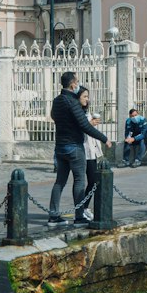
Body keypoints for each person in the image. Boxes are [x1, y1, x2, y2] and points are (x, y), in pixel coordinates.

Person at [49, 69, 110, 226]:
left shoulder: (57, 101)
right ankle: (79, 216)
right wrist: (104, 138)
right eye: (76, 82)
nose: (78, 84)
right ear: (72, 84)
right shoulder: (72, 102)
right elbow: (85, 126)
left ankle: (53, 216)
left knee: (59, 182)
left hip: (59, 147)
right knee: (79, 181)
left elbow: (54, 117)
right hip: (74, 147)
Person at [79, 87, 102, 215]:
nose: (87, 99)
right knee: (80, 182)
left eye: (88, 97)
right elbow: (79, 128)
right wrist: (90, 124)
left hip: (91, 151)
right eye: (85, 97)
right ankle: (81, 209)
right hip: (82, 150)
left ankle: (84, 207)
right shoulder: (77, 113)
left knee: (93, 180)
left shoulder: (86, 112)